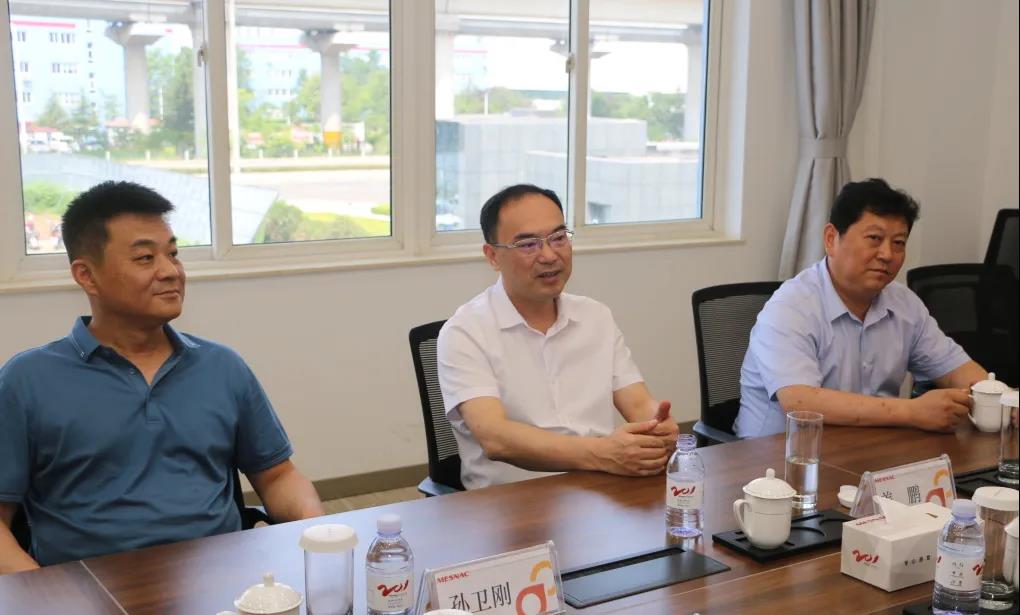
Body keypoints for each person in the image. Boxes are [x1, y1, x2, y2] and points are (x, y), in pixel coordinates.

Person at [0, 181, 324, 574]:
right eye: (145, 258)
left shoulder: (222, 367)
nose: (171, 272)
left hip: (219, 578)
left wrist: (317, 532)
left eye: (173, 254)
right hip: (91, 588)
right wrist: (46, 595)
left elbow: (277, 477)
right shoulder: (27, 381)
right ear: (87, 275)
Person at [437, 184, 678, 490]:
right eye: (528, 244)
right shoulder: (465, 332)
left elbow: (639, 402)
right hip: (510, 502)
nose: (549, 255)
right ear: (493, 256)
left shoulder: (596, 317)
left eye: (558, 238)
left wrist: (657, 426)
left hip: (600, 489)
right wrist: (602, 453)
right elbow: (496, 438)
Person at [735, 178, 986, 438]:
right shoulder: (790, 308)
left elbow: (956, 370)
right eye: (874, 238)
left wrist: (999, 397)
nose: (887, 254)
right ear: (831, 239)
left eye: (898, 243)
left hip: (866, 450)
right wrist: (912, 411)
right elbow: (800, 402)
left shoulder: (905, 304)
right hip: (778, 455)